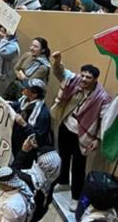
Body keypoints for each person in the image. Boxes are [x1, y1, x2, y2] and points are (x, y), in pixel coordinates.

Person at [51, 51, 112, 207]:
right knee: (63, 157)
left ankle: (76, 197)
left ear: (95, 80)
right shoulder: (74, 81)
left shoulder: (102, 98)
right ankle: (63, 181)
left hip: (83, 135)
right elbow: (60, 73)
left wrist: (98, 139)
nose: (84, 79)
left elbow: (104, 121)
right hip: (66, 126)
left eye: (88, 78)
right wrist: (57, 61)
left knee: (78, 167)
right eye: (83, 75)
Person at [9, 79, 52, 153]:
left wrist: (24, 124)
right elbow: (17, 105)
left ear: (34, 94)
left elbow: (38, 137)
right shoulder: (24, 100)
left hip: (27, 150)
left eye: (27, 88)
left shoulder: (43, 114)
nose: (23, 89)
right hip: (16, 142)